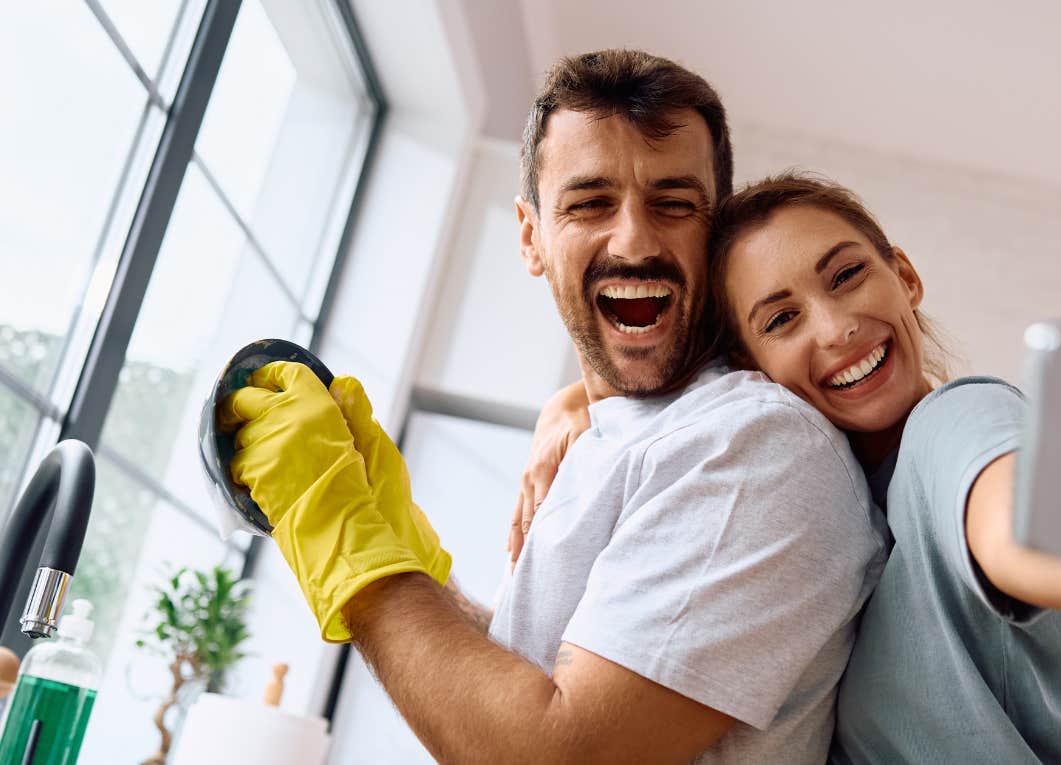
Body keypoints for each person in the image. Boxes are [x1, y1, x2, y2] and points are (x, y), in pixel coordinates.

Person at [519, 174, 1061, 763]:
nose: (838, 325)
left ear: (904, 276)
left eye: (847, 275)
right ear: (752, 374)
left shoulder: (955, 423)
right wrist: (575, 408)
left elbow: (1028, 532)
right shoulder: (831, 524)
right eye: (783, 318)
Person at [219, 51, 886, 763]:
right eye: (590, 202)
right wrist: (404, 549)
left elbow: (557, 750)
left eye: (673, 202)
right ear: (531, 234)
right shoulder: (608, 440)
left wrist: (343, 539)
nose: (633, 239)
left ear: (715, 233)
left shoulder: (754, 445)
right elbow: (538, 683)